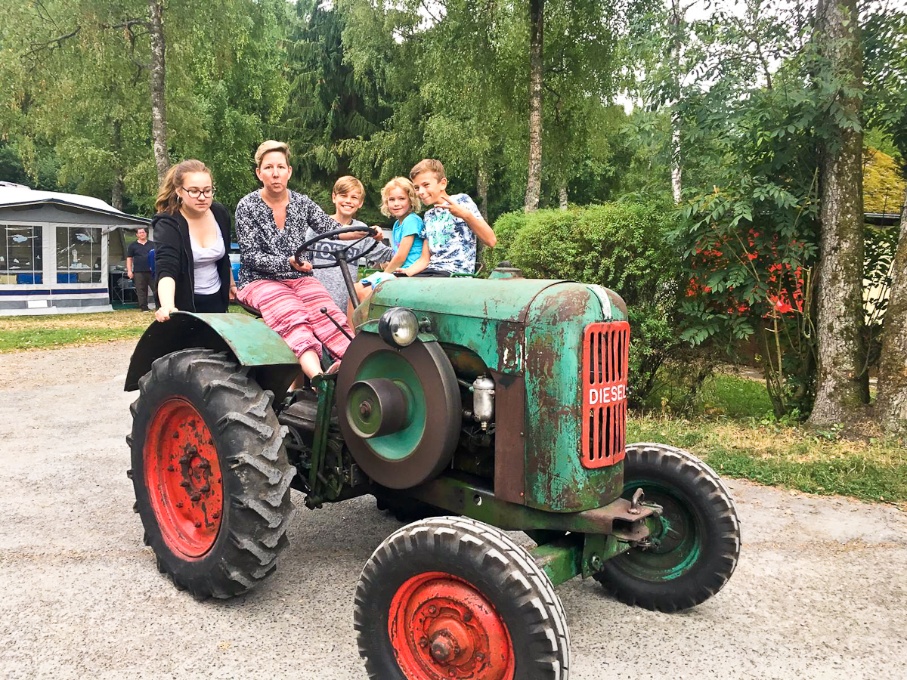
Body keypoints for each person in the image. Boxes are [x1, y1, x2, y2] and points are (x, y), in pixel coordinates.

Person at [235, 140, 354, 380]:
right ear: (259, 173)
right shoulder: (246, 206)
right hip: (259, 280)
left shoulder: (302, 203)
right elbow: (250, 255)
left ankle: (351, 367)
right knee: (293, 314)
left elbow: (330, 227)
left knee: (328, 312)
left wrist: (365, 231)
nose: (275, 173)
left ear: (289, 171)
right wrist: (287, 263)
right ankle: (318, 378)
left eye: (281, 167)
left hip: (298, 277)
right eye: (269, 167)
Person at [151, 159, 235, 322]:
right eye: (194, 191)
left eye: (207, 191)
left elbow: (224, 257)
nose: (202, 197)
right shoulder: (168, 223)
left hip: (217, 301)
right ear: (179, 191)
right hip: (182, 305)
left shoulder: (220, 214)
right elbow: (166, 268)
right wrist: (167, 305)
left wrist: (231, 285)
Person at [307, 175, 392, 311]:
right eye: (343, 195)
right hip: (317, 302)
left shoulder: (361, 231)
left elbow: (387, 255)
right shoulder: (318, 226)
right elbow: (303, 259)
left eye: (354, 197)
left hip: (347, 303)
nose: (348, 201)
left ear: (360, 203)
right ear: (334, 197)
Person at [407, 158, 497, 276]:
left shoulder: (461, 201)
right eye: (417, 188)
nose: (421, 192)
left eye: (426, 185)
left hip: (455, 273)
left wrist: (465, 215)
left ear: (442, 183)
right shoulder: (429, 216)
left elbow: (491, 240)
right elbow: (424, 259)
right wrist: (403, 273)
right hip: (432, 271)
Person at [352, 177, 426, 309]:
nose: (396, 203)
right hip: (398, 272)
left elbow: (401, 256)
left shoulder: (412, 221)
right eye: (392, 199)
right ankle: (351, 330)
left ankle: (367, 328)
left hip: (409, 273)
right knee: (353, 290)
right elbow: (396, 253)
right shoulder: (398, 224)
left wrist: (385, 273)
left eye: (401, 199)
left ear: (411, 200)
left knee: (366, 295)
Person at [126, 227, 156, 311]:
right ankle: (144, 308)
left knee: (156, 288)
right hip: (138, 271)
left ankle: (160, 306)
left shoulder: (152, 244)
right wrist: (129, 271)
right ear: (137, 235)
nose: (142, 234)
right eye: (140, 233)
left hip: (152, 271)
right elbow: (129, 258)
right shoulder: (133, 245)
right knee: (141, 290)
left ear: (146, 234)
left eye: (143, 232)